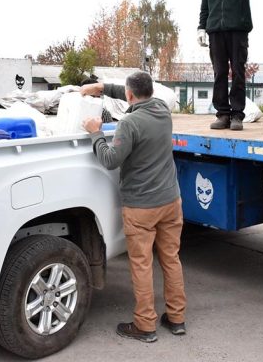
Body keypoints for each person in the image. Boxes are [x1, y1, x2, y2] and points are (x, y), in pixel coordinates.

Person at [80, 72, 186, 343]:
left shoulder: (129, 123)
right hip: (171, 202)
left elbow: (110, 160)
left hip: (141, 207)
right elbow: (132, 92)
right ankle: (177, 319)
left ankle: (145, 324)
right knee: (171, 259)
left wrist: (95, 133)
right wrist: (102, 87)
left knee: (142, 265)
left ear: (129, 95)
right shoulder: (162, 109)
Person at [198, 0, 260, 131]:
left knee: (238, 72)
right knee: (220, 73)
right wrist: (201, 26)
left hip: (237, 29)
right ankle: (223, 114)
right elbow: (205, 4)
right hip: (215, 30)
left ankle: (237, 115)